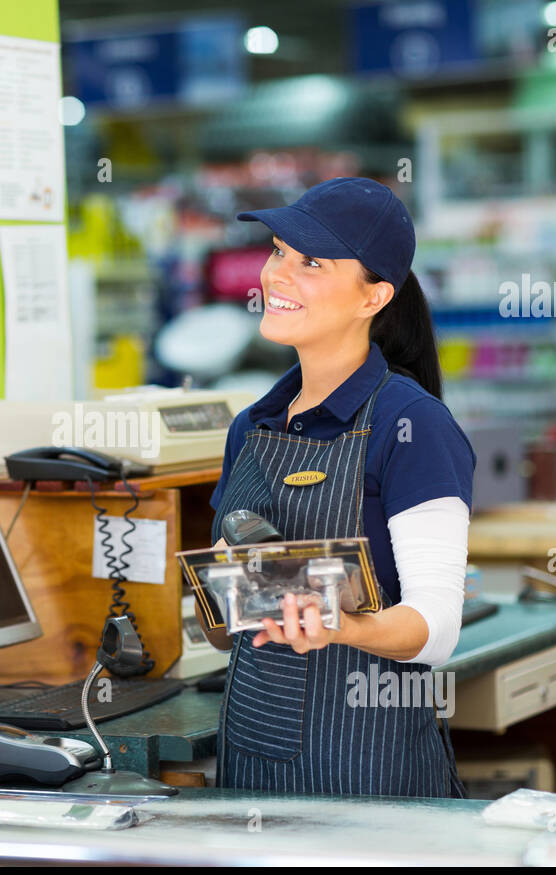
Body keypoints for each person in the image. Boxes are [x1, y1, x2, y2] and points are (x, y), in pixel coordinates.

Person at [206, 177, 476, 797]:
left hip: (369, 762)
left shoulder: (412, 425)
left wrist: (341, 625)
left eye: (312, 263)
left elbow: (435, 629)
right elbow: (222, 627)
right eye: (277, 250)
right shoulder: (252, 425)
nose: (278, 274)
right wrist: (227, 592)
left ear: (373, 296)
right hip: (250, 754)